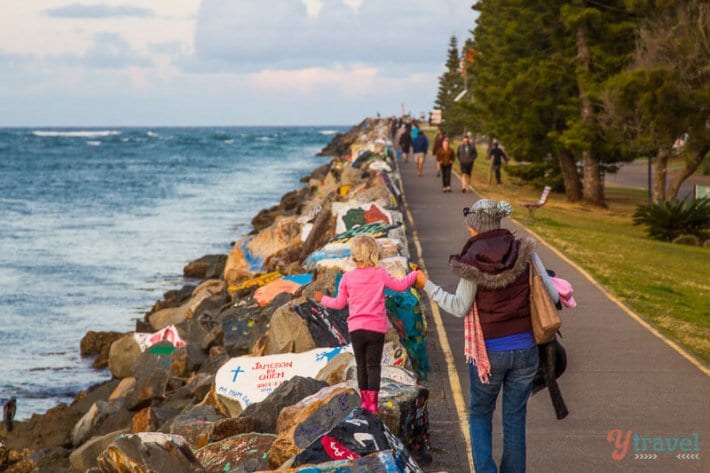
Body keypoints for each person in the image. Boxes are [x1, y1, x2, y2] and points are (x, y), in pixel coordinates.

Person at [415, 199, 558, 473]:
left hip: (488, 353)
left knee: (480, 414)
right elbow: (551, 295)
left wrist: (426, 285)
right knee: (515, 418)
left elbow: (459, 307)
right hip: (526, 350)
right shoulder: (524, 252)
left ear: (475, 225)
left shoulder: (473, 261)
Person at [315, 235, 419, 414]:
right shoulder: (380, 274)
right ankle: (373, 404)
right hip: (376, 329)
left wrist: (322, 299)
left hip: (356, 329)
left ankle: (364, 402)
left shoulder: (347, 278)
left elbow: (339, 304)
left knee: (361, 366)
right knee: (373, 366)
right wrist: (415, 275)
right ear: (373, 253)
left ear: (355, 255)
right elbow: (401, 286)